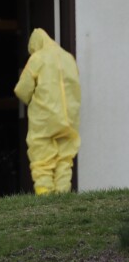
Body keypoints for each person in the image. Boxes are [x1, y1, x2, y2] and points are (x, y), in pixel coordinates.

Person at [14, 28, 81, 195]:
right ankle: (62, 194)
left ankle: (44, 194)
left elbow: (22, 90)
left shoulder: (37, 58)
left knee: (42, 158)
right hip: (68, 118)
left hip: (44, 118)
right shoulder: (68, 58)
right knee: (64, 159)